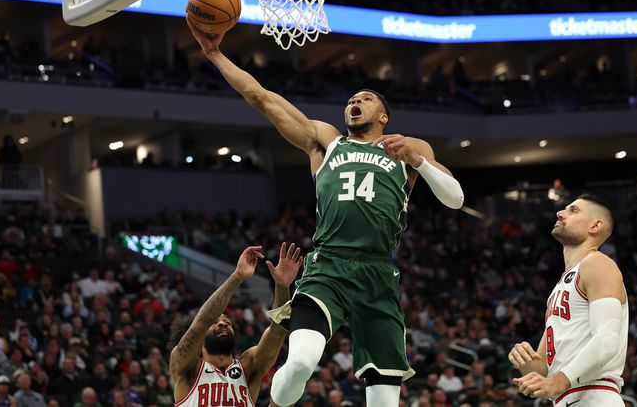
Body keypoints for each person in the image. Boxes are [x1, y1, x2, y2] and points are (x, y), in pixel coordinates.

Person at [186, 21, 464, 407]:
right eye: (351, 98)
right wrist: (214, 54)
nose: (355, 102)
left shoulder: (408, 148)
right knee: (300, 361)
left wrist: (419, 160)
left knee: (384, 401)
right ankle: (278, 400)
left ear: (383, 116)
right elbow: (262, 97)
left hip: (379, 273)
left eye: (365, 98)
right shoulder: (325, 142)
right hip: (329, 265)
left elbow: (454, 198)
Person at [507, 194, 629, 405]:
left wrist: (558, 382)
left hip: (594, 395)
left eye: (573, 211)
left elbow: (608, 339)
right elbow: (545, 371)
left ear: (595, 225)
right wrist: (526, 363)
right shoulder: (559, 288)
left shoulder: (597, 263)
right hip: (565, 398)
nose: (560, 213)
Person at [168, 243, 302, 406]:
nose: (223, 323)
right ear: (200, 338)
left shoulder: (248, 365)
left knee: (288, 382)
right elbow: (201, 323)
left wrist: (282, 287)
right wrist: (237, 276)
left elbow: (278, 331)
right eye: (216, 322)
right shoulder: (188, 367)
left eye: (227, 322)